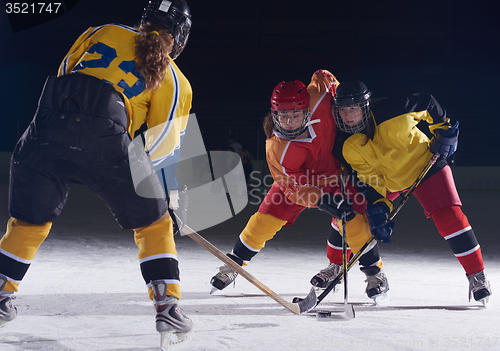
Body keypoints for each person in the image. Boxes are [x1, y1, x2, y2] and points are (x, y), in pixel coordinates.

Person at [0, 0, 194, 340]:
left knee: (29, 222)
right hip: (103, 137)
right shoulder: (176, 80)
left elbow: (65, 72)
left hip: (44, 127)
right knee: (154, 223)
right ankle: (168, 310)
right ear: (180, 36)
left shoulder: (104, 31)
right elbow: (161, 147)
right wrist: (167, 200)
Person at [209, 70, 390, 302]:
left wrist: (342, 105)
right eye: (282, 116)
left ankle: (375, 275)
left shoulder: (320, 98)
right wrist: (322, 201)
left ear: (306, 110)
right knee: (264, 219)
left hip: (336, 175)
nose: (288, 122)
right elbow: (292, 189)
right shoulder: (276, 148)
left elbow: (325, 76)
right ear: (274, 114)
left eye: (295, 115)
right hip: (300, 184)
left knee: (352, 219)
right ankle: (233, 264)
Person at [331, 80, 492, 303]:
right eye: (343, 109)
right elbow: (369, 178)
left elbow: (428, 102)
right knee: (355, 215)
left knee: (450, 217)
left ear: (365, 107)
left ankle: (477, 275)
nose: (347, 115)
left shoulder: (394, 111)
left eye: (353, 108)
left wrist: (443, 129)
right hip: (390, 182)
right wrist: (378, 208)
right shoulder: (347, 145)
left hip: (425, 168)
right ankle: (366, 274)